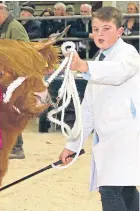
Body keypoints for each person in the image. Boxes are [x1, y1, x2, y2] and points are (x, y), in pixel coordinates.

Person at [59, 6, 140, 211]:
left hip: (125, 135)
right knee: (125, 189)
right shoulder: (99, 59)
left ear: (120, 31)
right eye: (95, 29)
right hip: (109, 138)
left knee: (111, 190)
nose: (99, 34)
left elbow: (119, 72)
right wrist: (73, 145)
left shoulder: (128, 54)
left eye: (106, 28)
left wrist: (84, 67)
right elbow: (88, 110)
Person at [0, 3, 29, 159]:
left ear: (2, 15)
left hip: (14, 79)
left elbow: (26, 51)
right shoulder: (3, 29)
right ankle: (11, 146)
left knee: (11, 111)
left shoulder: (15, 28)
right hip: (5, 78)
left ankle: (17, 148)